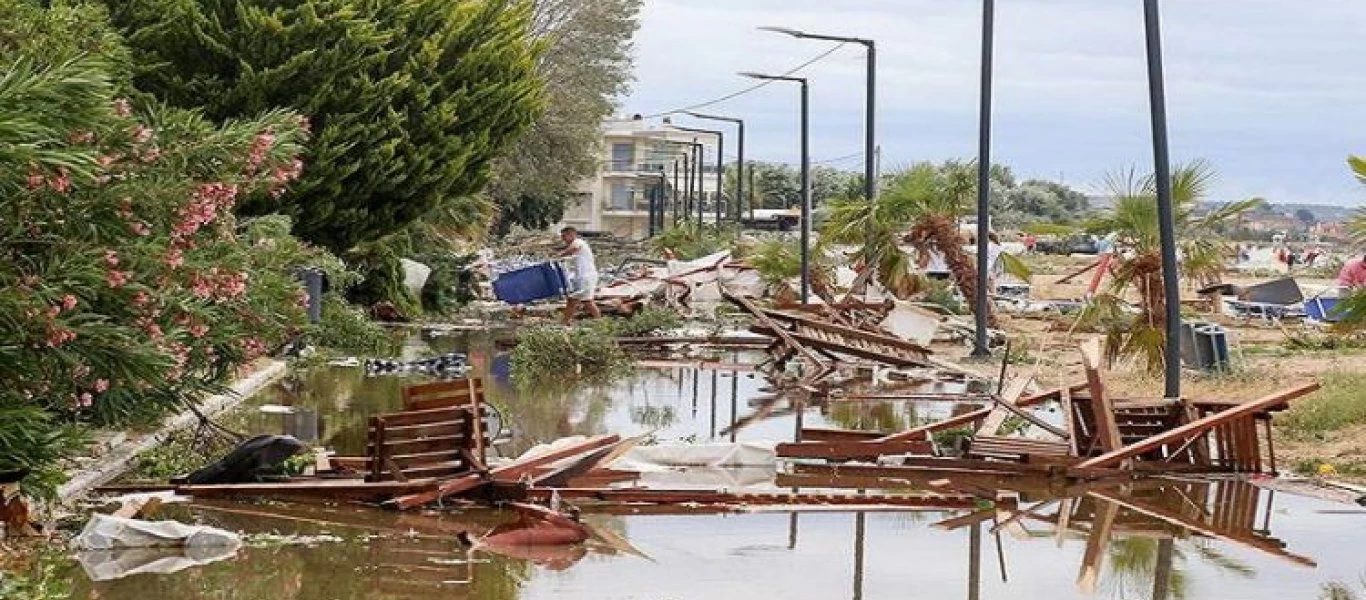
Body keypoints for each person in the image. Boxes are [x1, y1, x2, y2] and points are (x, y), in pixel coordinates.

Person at [556, 227, 601, 324]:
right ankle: (599, 321)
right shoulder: (575, 244)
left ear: (571, 235)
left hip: (586, 277)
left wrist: (560, 255)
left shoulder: (578, 242)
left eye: (564, 236)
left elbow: (574, 249)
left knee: (572, 299)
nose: (563, 239)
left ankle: (564, 323)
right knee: (587, 301)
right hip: (583, 277)